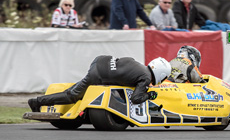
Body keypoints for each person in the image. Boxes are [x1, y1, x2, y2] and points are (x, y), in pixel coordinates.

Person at [28, 56, 171, 112]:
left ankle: (40, 101)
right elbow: (135, 98)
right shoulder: (145, 78)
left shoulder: (138, 65)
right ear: (161, 74)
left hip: (99, 61)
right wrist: (148, 95)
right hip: (99, 74)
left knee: (75, 89)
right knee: (72, 96)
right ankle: (37, 102)